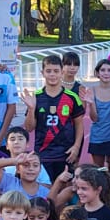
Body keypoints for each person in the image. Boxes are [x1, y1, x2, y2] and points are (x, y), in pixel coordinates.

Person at [26, 53, 85, 181]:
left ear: (62, 72)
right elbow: (29, 127)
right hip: (43, 152)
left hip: (66, 153)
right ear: (42, 73)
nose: (52, 74)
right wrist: (31, 109)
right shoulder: (36, 96)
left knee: (65, 189)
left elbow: (79, 124)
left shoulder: (72, 97)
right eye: (48, 71)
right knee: (45, 189)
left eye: (56, 71)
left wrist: (76, 147)